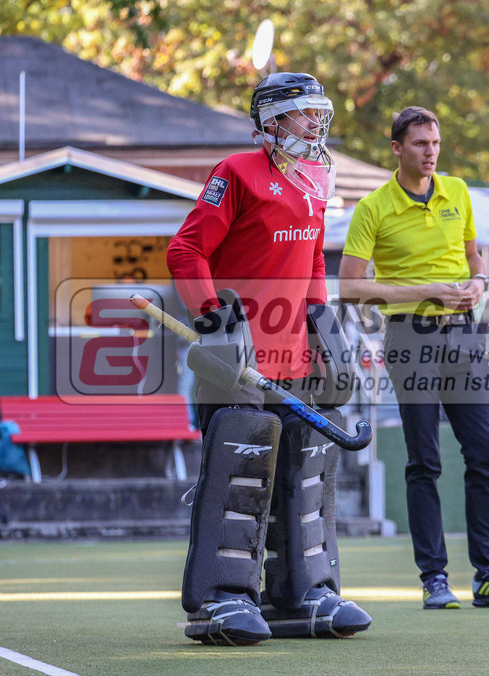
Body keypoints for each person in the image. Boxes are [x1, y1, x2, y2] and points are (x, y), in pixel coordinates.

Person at [166, 72, 370, 645]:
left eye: (319, 113)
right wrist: (213, 317)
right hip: (239, 358)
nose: (316, 124)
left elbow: (310, 268)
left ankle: (301, 592)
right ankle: (223, 599)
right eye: (306, 114)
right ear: (272, 120)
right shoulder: (234, 172)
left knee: (304, 472)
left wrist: (326, 328)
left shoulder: (318, 176)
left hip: (296, 354)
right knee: (242, 472)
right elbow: (185, 250)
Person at [338, 106, 489, 611]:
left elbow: (475, 257)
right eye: (421, 144)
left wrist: (479, 283)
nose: (431, 153)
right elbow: (350, 286)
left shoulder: (458, 192)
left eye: (436, 144)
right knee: (424, 461)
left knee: (483, 455)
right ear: (398, 148)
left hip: (466, 337)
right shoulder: (373, 208)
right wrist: (424, 291)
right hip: (411, 338)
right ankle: (434, 579)